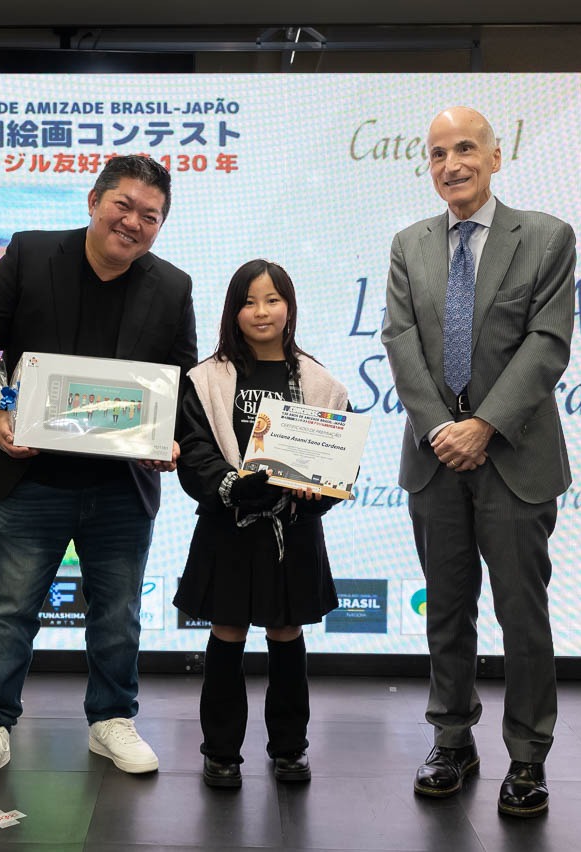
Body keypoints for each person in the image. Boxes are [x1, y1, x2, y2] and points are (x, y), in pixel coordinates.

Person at [0, 154, 197, 794]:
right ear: (94, 201)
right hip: (31, 477)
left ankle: (112, 718)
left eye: (151, 215)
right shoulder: (31, 255)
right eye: (124, 205)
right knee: (7, 610)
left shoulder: (172, 287)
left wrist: (168, 437)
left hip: (120, 485)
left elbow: (181, 381)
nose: (134, 222)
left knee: (117, 614)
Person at [381, 107, 576, 817]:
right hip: (436, 458)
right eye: (438, 153)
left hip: (515, 457)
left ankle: (527, 755)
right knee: (446, 608)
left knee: (522, 613)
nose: (451, 164)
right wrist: (443, 429)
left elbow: (547, 343)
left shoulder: (547, 237)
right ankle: (451, 740)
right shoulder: (409, 244)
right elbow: (400, 340)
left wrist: (483, 426)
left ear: (495, 157)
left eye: (465, 148)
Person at [174, 259, 348, 788]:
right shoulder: (206, 379)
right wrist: (234, 485)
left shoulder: (320, 382)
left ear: (289, 307)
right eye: (248, 302)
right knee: (226, 632)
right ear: (233, 311)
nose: (261, 311)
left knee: (286, 632)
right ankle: (221, 751)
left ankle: (290, 748)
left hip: (291, 531)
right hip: (227, 528)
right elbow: (195, 451)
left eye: (273, 300)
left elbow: (339, 459)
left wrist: (314, 495)